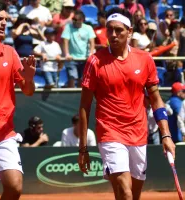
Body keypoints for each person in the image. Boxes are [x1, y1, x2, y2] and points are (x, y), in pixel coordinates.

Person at [78, 7, 175, 200]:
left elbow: (156, 99)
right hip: (110, 132)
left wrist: (166, 134)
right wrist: (83, 148)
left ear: (130, 31)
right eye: (110, 30)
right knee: (125, 191)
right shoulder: (94, 61)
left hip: (139, 133)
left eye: (119, 30)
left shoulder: (145, 59)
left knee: (132, 194)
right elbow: (84, 106)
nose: (113, 35)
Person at [0, 1, 36, 200]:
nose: (4, 23)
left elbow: (28, 91)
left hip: (4, 134)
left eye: (6, 19)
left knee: (14, 187)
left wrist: (29, 78)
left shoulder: (10, 52)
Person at [61, 10, 95, 87]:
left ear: (82, 20)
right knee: (72, 78)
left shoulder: (88, 28)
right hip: (72, 58)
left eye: (76, 19)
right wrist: (67, 54)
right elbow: (65, 41)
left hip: (84, 59)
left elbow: (92, 42)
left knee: (83, 80)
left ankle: (81, 97)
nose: (74, 21)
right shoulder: (68, 27)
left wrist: (91, 53)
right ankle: (70, 98)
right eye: (73, 19)